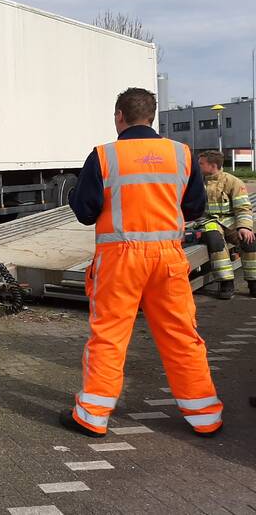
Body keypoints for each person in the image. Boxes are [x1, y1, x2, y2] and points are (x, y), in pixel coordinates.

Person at [61, 87, 222, 438]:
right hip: (167, 258)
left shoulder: (103, 156)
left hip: (119, 260)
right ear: (152, 117)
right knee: (182, 335)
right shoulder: (182, 154)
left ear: (120, 115)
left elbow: (86, 213)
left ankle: (92, 415)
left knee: (110, 336)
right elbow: (195, 208)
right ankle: (205, 416)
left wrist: (76, 193)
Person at [197, 150, 256, 299]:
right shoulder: (197, 182)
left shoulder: (233, 182)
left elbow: (243, 208)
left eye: (201, 164)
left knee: (249, 241)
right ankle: (226, 282)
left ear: (213, 165)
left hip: (231, 223)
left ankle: (253, 282)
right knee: (215, 240)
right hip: (208, 222)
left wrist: (244, 227)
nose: (198, 166)